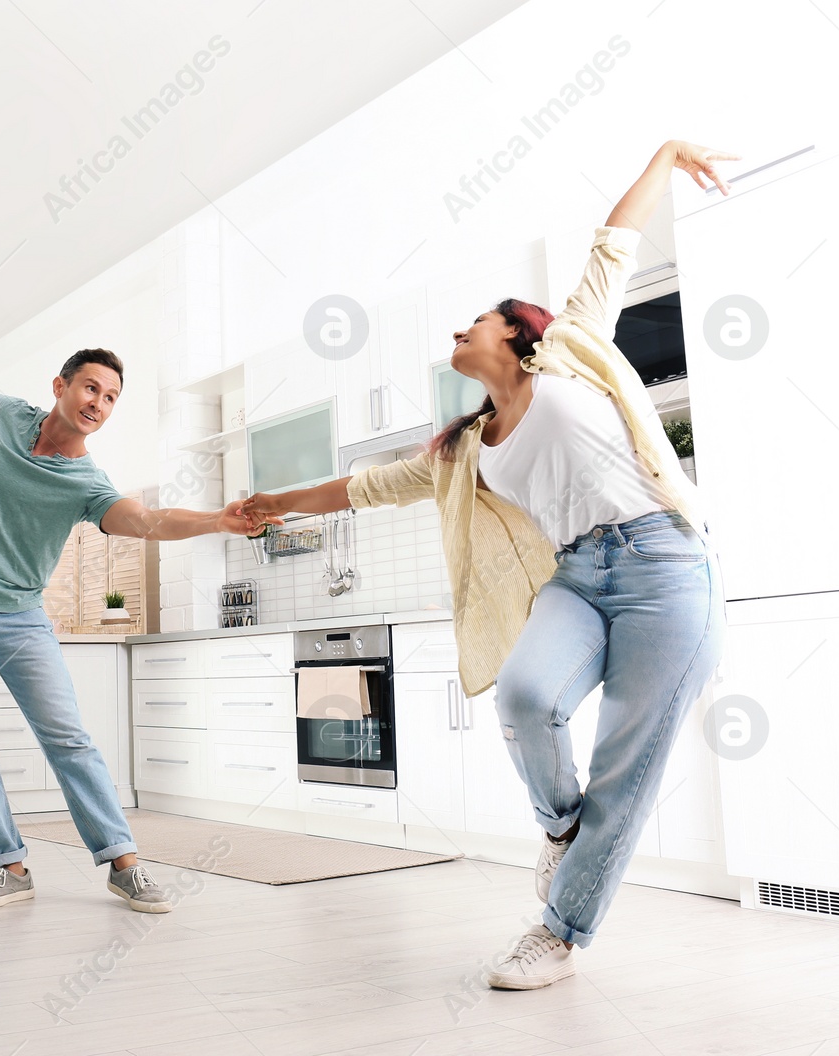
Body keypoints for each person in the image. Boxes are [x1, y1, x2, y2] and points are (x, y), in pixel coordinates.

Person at [244, 139, 736, 988]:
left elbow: (612, 243)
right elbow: (366, 487)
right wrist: (278, 502)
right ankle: (561, 830)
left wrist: (665, 155)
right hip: (581, 575)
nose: (459, 330)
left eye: (475, 320)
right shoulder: (465, 447)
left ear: (515, 332)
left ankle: (558, 933)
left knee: (628, 762)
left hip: (665, 565)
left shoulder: (574, 348)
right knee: (525, 694)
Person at [0, 289, 275, 914]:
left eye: (111, 398)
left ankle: (124, 865)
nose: (99, 404)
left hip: (18, 618)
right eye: (91, 388)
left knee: (68, 740)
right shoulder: (5, 417)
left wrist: (219, 522)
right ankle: (9, 866)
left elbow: (148, 521)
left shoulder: (86, 483)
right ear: (60, 386)